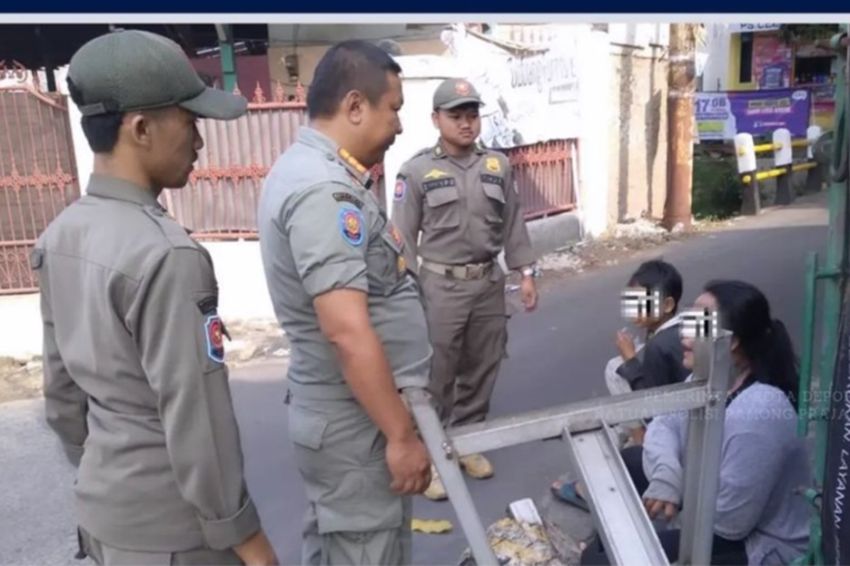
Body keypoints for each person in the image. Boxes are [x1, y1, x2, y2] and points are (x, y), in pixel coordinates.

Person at [32, 30, 277, 565]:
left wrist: (105, 472)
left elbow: (62, 394)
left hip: (104, 516)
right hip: (175, 537)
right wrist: (249, 541)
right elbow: (200, 424)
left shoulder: (61, 234)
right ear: (140, 128)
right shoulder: (168, 255)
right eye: (190, 123)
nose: (200, 141)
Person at [257, 40, 431, 565]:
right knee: (364, 551)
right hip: (356, 430)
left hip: (354, 422)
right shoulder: (321, 190)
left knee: (341, 550)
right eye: (394, 109)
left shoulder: (324, 176)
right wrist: (400, 437)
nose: (399, 125)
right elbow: (346, 332)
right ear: (355, 106)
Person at [581, 280, 811, 565]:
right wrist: (666, 475)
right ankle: (614, 542)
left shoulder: (758, 412)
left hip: (758, 545)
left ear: (732, 341)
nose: (684, 337)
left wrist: (676, 500)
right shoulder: (707, 378)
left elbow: (729, 525)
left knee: (598, 562)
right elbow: (664, 426)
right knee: (629, 462)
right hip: (714, 505)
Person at [391, 78, 538, 500]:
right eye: (456, 115)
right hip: (440, 286)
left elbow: (513, 222)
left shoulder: (497, 165)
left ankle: (467, 441)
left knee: (483, 363)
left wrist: (526, 273)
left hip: (488, 283)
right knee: (436, 373)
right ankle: (432, 456)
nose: (466, 123)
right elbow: (401, 237)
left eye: (472, 115)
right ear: (436, 119)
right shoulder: (417, 171)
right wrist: (407, 294)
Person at [552, 260, 690, 507]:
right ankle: (628, 439)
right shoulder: (678, 332)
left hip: (670, 422)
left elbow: (652, 402)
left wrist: (629, 359)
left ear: (667, 305)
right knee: (616, 427)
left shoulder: (659, 346)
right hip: (681, 415)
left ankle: (639, 445)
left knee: (615, 369)